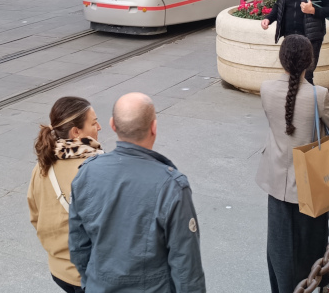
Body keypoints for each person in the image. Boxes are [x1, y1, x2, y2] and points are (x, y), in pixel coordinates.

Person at [68, 93, 205, 293]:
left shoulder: (88, 171)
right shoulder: (172, 186)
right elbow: (186, 264)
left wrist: (92, 282)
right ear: (154, 127)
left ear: (113, 125)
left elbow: (78, 244)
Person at [258, 35, 329, 293]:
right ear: (310, 62)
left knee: (280, 242)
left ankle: (283, 287)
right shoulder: (319, 95)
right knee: (314, 238)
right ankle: (320, 280)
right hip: (310, 179)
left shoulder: (266, 89)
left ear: (282, 60)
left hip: (275, 177)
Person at [28, 97, 105, 293]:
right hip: (89, 275)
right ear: (76, 132)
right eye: (94, 122)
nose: (100, 127)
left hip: (58, 270)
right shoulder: (97, 169)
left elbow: (35, 216)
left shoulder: (42, 165)